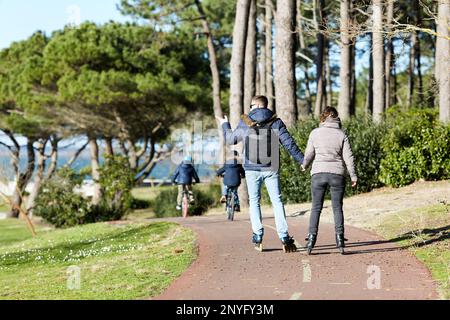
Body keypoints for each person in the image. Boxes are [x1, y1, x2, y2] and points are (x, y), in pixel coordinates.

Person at [217, 95, 304, 253]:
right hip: (271, 167)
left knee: (255, 202)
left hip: (251, 168)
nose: (249, 108)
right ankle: (284, 237)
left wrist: (225, 124)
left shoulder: (246, 122)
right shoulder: (275, 121)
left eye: (251, 105)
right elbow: (289, 143)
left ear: (256, 106)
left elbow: (230, 140)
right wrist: (302, 160)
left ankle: (258, 236)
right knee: (277, 202)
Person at [302, 107, 358, 255]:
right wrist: (353, 175)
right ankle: (340, 241)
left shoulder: (315, 133)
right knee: (337, 208)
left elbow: (309, 154)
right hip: (337, 174)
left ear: (323, 118)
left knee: (316, 208)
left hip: (318, 173)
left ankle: (311, 240)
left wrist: (304, 165)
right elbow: (348, 157)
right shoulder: (342, 134)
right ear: (336, 118)